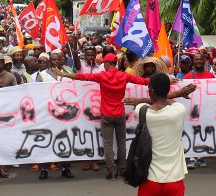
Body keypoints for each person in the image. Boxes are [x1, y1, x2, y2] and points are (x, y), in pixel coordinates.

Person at [53, 52, 149, 181]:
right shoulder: (124, 75)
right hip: (120, 113)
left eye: (105, 64)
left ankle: (112, 172)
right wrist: (167, 81)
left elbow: (82, 76)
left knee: (108, 144)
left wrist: (63, 74)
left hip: (106, 114)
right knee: (121, 143)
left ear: (108, 64)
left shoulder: (102, 76)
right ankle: (122, 169)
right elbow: (143, 81)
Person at [122, 74, 196, 196]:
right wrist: (178, 93)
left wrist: (140, 99)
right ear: (168, 90)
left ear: (151, 91)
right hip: (174, 179)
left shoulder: (141, 111)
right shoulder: (179, 109)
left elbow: (149, 102)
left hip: (149, 180)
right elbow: (168, 100)